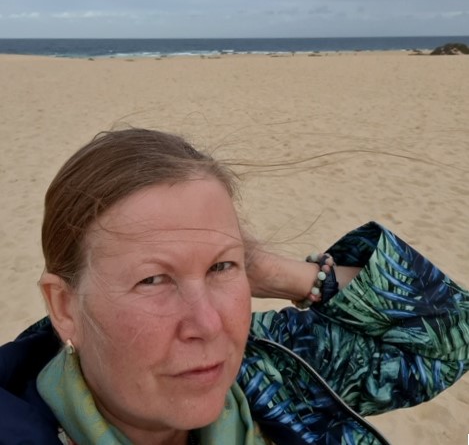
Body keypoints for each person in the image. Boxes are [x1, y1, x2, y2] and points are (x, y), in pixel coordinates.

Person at [0, 127, 468, 445]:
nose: (208, 324)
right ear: (65, 307)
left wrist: (270, 271)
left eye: (221, 268)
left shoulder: (272, 369)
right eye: (153, 279)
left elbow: (450, 339)